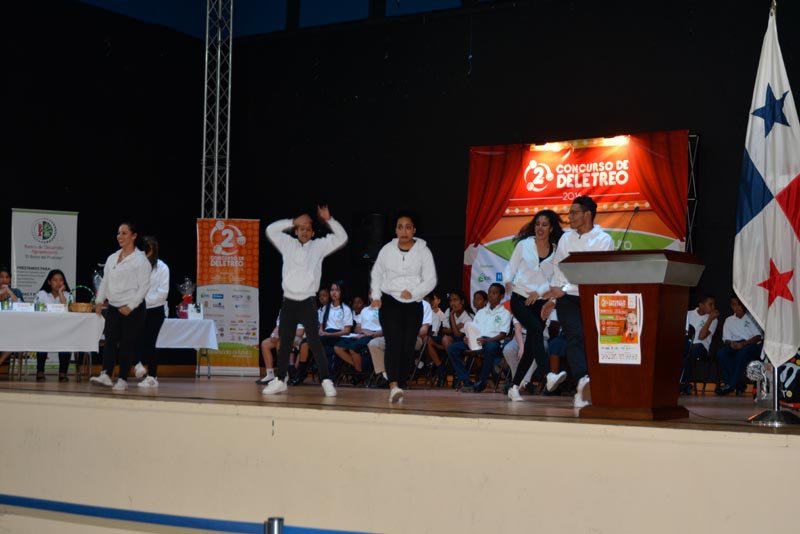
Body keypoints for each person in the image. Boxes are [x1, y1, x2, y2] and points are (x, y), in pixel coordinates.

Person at [261, 205, 347, 397]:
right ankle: (280, 379)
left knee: (314, 341)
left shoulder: (319, 246)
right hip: (288, 301)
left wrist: (329, 220)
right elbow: (270, 229)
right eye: (301, 228)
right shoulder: (286, 243)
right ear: (296, 230)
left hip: (307, 301)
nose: (305, 232)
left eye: (308, 229)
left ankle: (326, 380)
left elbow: (342, 237)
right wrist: (292, 221)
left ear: (313, 233)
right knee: (284, 342)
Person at [540, 196, 614, 408]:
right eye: (569, 213)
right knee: (575, 337)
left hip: (592, 296)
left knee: (592, 340)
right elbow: (558, 269)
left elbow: (595, 273)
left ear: (588, 214)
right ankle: (583, 382)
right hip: (567, 298)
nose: (569, 217)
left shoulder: (603, 240)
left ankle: (596, 386)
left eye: (574, 213)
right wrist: (553, 298)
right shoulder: (565, 239)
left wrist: (564, 289)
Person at [370, 211, 437, 403]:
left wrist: (415, 292)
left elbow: (431, 279)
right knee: (393, 343)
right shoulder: (387, 250)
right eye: (400, 227)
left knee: (407, 347)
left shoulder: (423, 251)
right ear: (396, 230)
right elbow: (377, 274)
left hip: (413, 304)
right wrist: (376, 296)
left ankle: (399, 382)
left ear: (414, 230)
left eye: (408, 227)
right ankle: (393, 385)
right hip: (390, 301)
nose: (404, 231)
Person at [503, 209, 564, 402]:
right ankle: (548, 375)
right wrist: (508, 281)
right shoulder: (524, 245)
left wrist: (539, 292)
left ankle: (514, 387)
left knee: (531, 346)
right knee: (536, 330)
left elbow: (556, 279)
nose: (540, 228)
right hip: (520, 298)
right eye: (537, 224)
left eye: (544, 225)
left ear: (551, 228)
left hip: (540, 302)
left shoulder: (556, 250)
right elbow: (510, 267)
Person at [90, 222, 152, 391]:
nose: (120, 236)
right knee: (110, 341)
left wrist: (130, 306)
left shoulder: (140, 260)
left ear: (134, 236)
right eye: (118, 233)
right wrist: (99, 301)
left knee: (127, 344)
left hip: (133, 309)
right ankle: (106, 374)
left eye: (124, 233)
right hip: (114, 306)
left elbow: (144, 287)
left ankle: (123, 379)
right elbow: (105, 282)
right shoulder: (112, 258)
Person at [448, 282, 511, 393]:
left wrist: (487, 340)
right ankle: (466, 380)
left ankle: (482, 381)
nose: (490, 295)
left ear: (501, 296)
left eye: (494, 293)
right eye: (489, 292)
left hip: (493, 341)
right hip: (477, 341)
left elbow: (503, 334)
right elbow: (473, 328)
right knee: (452, 348)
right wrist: (467, 337)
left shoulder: (505, 313)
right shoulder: (481, 312)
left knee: (491, 347)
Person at [133, 236, 170, 388]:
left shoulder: (163, 268)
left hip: (155, 310)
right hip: (137, 309)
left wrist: (141, 300)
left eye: (150, 249)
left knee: (150, 343)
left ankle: (153, 376)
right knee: (134, 339)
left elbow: (163, 293)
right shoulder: (136, 266)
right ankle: (138, 364)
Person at [716, 296, 762, 396]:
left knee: (742, 354)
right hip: (734, 344)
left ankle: (731, 385)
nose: (737, 307)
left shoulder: (752, 317)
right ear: (731, 306)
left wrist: (743, 344)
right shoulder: (729, 320)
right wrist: (731, 343)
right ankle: (737, 384)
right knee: (721, 353)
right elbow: (726, 338)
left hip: (750, 344)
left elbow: (758, 336)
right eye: (734, 305)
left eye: (739, 304)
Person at [34, 269, 72, 382]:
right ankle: (40, 372)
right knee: (42, 341)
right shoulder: (42, 294)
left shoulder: (68, 295)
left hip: (63, 330)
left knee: (66, 343)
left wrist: (60, 293)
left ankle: (63, 373)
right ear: (49, 282)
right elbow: (35, 309)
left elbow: (68, 309)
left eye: (61, 280)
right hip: (45, 328)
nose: (58, 283)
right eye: (55, 280)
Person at [680, 293, 719, 394]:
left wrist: (709, 319)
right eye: (710, 304)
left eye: (714, 304)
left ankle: (683, 383)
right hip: (687, 343)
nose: (713, 307)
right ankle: (680, 384)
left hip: (701, 346)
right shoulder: (688, 314)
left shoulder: (713, 319)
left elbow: (701, 336)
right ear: (701, 305)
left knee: (689, 353)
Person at [257, 315, 304, 385]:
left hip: (298, 338)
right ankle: (270, 375)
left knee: (280, 341)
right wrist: (273, 335)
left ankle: (283, 373)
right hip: (284, 336)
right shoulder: (282, 311)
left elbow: (300, 332)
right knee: (265, 344)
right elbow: (278, 327)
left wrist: (283, 333)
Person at [0, 265, 24, 367]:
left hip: (11, 326)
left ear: (10, 280)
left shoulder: (16, 291)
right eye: (1, 277)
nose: (4, 279)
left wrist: (9, 292)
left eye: (7, 277)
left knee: (15, 338)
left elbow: (22, 307)